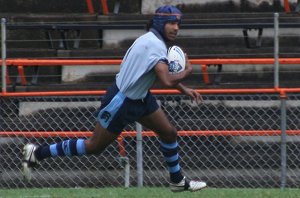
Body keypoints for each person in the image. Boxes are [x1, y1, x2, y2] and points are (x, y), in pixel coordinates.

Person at [22, 5, 207, 192]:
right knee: (93, 146)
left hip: (140, 98)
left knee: (169, 133)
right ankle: (38, 153)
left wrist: (184, 89)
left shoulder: (151, 40)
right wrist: (188, 71)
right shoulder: (155, 45)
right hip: (121, 101)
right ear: (160, 23)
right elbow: (166, 80)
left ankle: (177, 181)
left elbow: (161, 74)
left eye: (178, 24)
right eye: (171, 23)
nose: (176, 28)